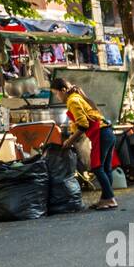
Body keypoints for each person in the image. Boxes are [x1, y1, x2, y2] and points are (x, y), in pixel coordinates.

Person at [52, 75, 117, 211]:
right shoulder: (78, 97)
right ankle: (105, 199)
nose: (57, 97)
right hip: (107, 132)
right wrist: (71, 136)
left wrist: (69, 141)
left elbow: (83, 125)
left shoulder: (73, 101)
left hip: (101, 134)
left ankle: (110, 198)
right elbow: (82, 121)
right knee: (105, 168)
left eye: (56, 93)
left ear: (63, 90)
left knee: (97, 167)